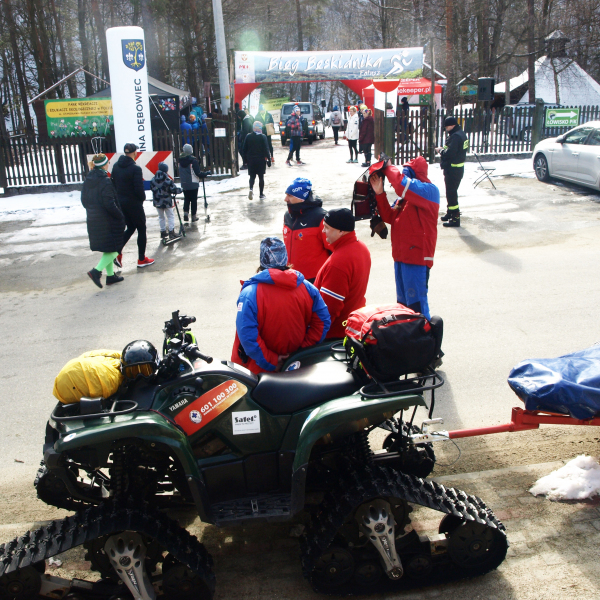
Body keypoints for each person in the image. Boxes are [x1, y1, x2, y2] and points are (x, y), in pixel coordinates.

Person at [231, 237, 331, 374]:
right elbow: (323, 321)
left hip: (257, 372)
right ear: (285, 258)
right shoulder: (308, 288)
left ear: (262, 260)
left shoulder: (250, 294)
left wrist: (272, 360)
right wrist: (300, 353)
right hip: (296, 366)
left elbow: (247, 335)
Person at [369, 155, 440, 319]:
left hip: (417, 258)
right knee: (403, 307)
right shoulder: (406, 199)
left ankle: (425, 334)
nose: (404, 175)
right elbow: (389, 216)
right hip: (401, 257)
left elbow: (401, 184)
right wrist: (379, 193)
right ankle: (410, 335)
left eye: (407, 172)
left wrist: (387, 167)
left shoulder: (429, 191)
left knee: (416, 308)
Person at [314, 208, 371, 338]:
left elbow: (329, 309)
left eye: (327, 227)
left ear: (341, 231)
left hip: (336, 334)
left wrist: (313, 337)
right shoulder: (361, 248)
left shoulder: (338, 262)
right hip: (354, 325)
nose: (323, 231)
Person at [82, 153, 125, 288]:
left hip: (94, 219)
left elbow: (84, 201)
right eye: (108, 163)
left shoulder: (88, 179)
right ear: (104, 165)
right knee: (116, 247)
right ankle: (96, 271)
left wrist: (94, 211)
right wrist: (120, 216)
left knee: (109, 247)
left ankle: (110, 276)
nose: (108, 165)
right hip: (107, 220)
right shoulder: (105, 181)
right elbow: (109, 203)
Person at [111, 142, 154, 269]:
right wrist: (142, 199)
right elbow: (139, 189)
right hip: (134, 204)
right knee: (141, 228)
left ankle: (117, 252)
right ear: (135, 152)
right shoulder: (136, 169)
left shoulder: (116, 166)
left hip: (121, 203)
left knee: (130, 227)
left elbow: (113, 184)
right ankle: (141, 259)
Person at [283, 177, 332, 282]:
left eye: (290, 195)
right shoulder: (287, 216)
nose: (285, 199)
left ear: (301, 197)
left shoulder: (320, 217)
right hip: (291, 277)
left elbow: (333, 250)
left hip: (314, 279)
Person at [435, 116, 469, 227]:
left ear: (452, 125)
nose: (446, 129)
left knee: (451, 193)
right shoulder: (461, 134)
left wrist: (441, 151)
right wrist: (444, 148)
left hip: (453, 170)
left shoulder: (456, 136)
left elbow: (450, 153)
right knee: (451, 192)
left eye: (447, 127)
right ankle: (450, 213)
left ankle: (455, 218)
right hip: (457, 169)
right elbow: (453, 149)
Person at [150, 162, 182, 241]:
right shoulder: (167, 180)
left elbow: (152, 189)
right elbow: (173, 189)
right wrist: (180, 190)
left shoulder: (153, 180)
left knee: (161, 217)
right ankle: (171, 232)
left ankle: (163, 231)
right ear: (166, 170)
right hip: (166, 202)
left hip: (157, 202)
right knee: (170, 216)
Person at [242, 121, 271, 200]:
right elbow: (266, 149)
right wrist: (269, 159)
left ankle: (251, 189)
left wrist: (245, 160)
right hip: (260, 160)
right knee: (261, 177)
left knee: (252, 176)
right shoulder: (263, 137)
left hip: (251, 160)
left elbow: (244, 149)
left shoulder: (248, 136)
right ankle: (261, 194)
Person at [178, 144, 203, 222]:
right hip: (193, 183)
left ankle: (185, 214)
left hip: (184, 183)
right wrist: (205, 174)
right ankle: (193, 216)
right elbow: (197, 173)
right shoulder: (193, 161)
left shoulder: (180, 160)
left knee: (186, 199)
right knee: (193, 200)